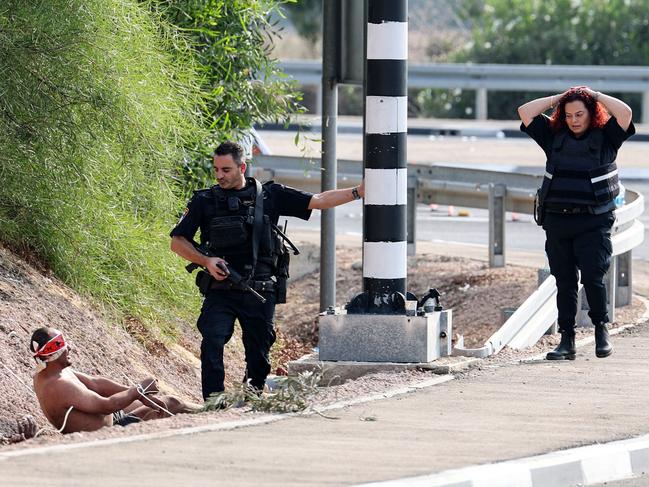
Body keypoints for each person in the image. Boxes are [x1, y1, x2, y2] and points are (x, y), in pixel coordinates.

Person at [170, 140, 364, 400]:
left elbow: (318, 201)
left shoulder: (270, 195)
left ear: (242, 167)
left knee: (258, 356)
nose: (219, 175)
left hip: (259, 290)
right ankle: (213, 404)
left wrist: (358, 192)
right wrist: (206, 261)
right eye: (216, 169)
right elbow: (177, 241)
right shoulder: (205, 201)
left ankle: (251, 399)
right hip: (220, 289)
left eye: (226, 170)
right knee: (212, 342)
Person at [518, 86, 634, 360]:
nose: (574, 120)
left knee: (594, 277)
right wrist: (559, 98)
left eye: (579, 114)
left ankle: (600, 331)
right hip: (558, 221)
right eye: (568, 115)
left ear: (591, 114)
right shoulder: (552, 137)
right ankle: (566, 341)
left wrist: (594, 95)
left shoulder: (607, 138)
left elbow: (626, 113)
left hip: (593, 222)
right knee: (565, 282)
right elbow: (525, 112)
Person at [30, 327, 200, 433]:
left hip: (112, 419)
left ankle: (216, 410)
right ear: (53, 353)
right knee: (171, 403)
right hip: (108, 433)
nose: (69, 347)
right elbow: (107, 405)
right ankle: (218, 413)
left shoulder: (52, 371)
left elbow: (95, 383)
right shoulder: (58, 385)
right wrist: (139, 389)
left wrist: (141, 395)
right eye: (63, 344)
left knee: (160, 403)